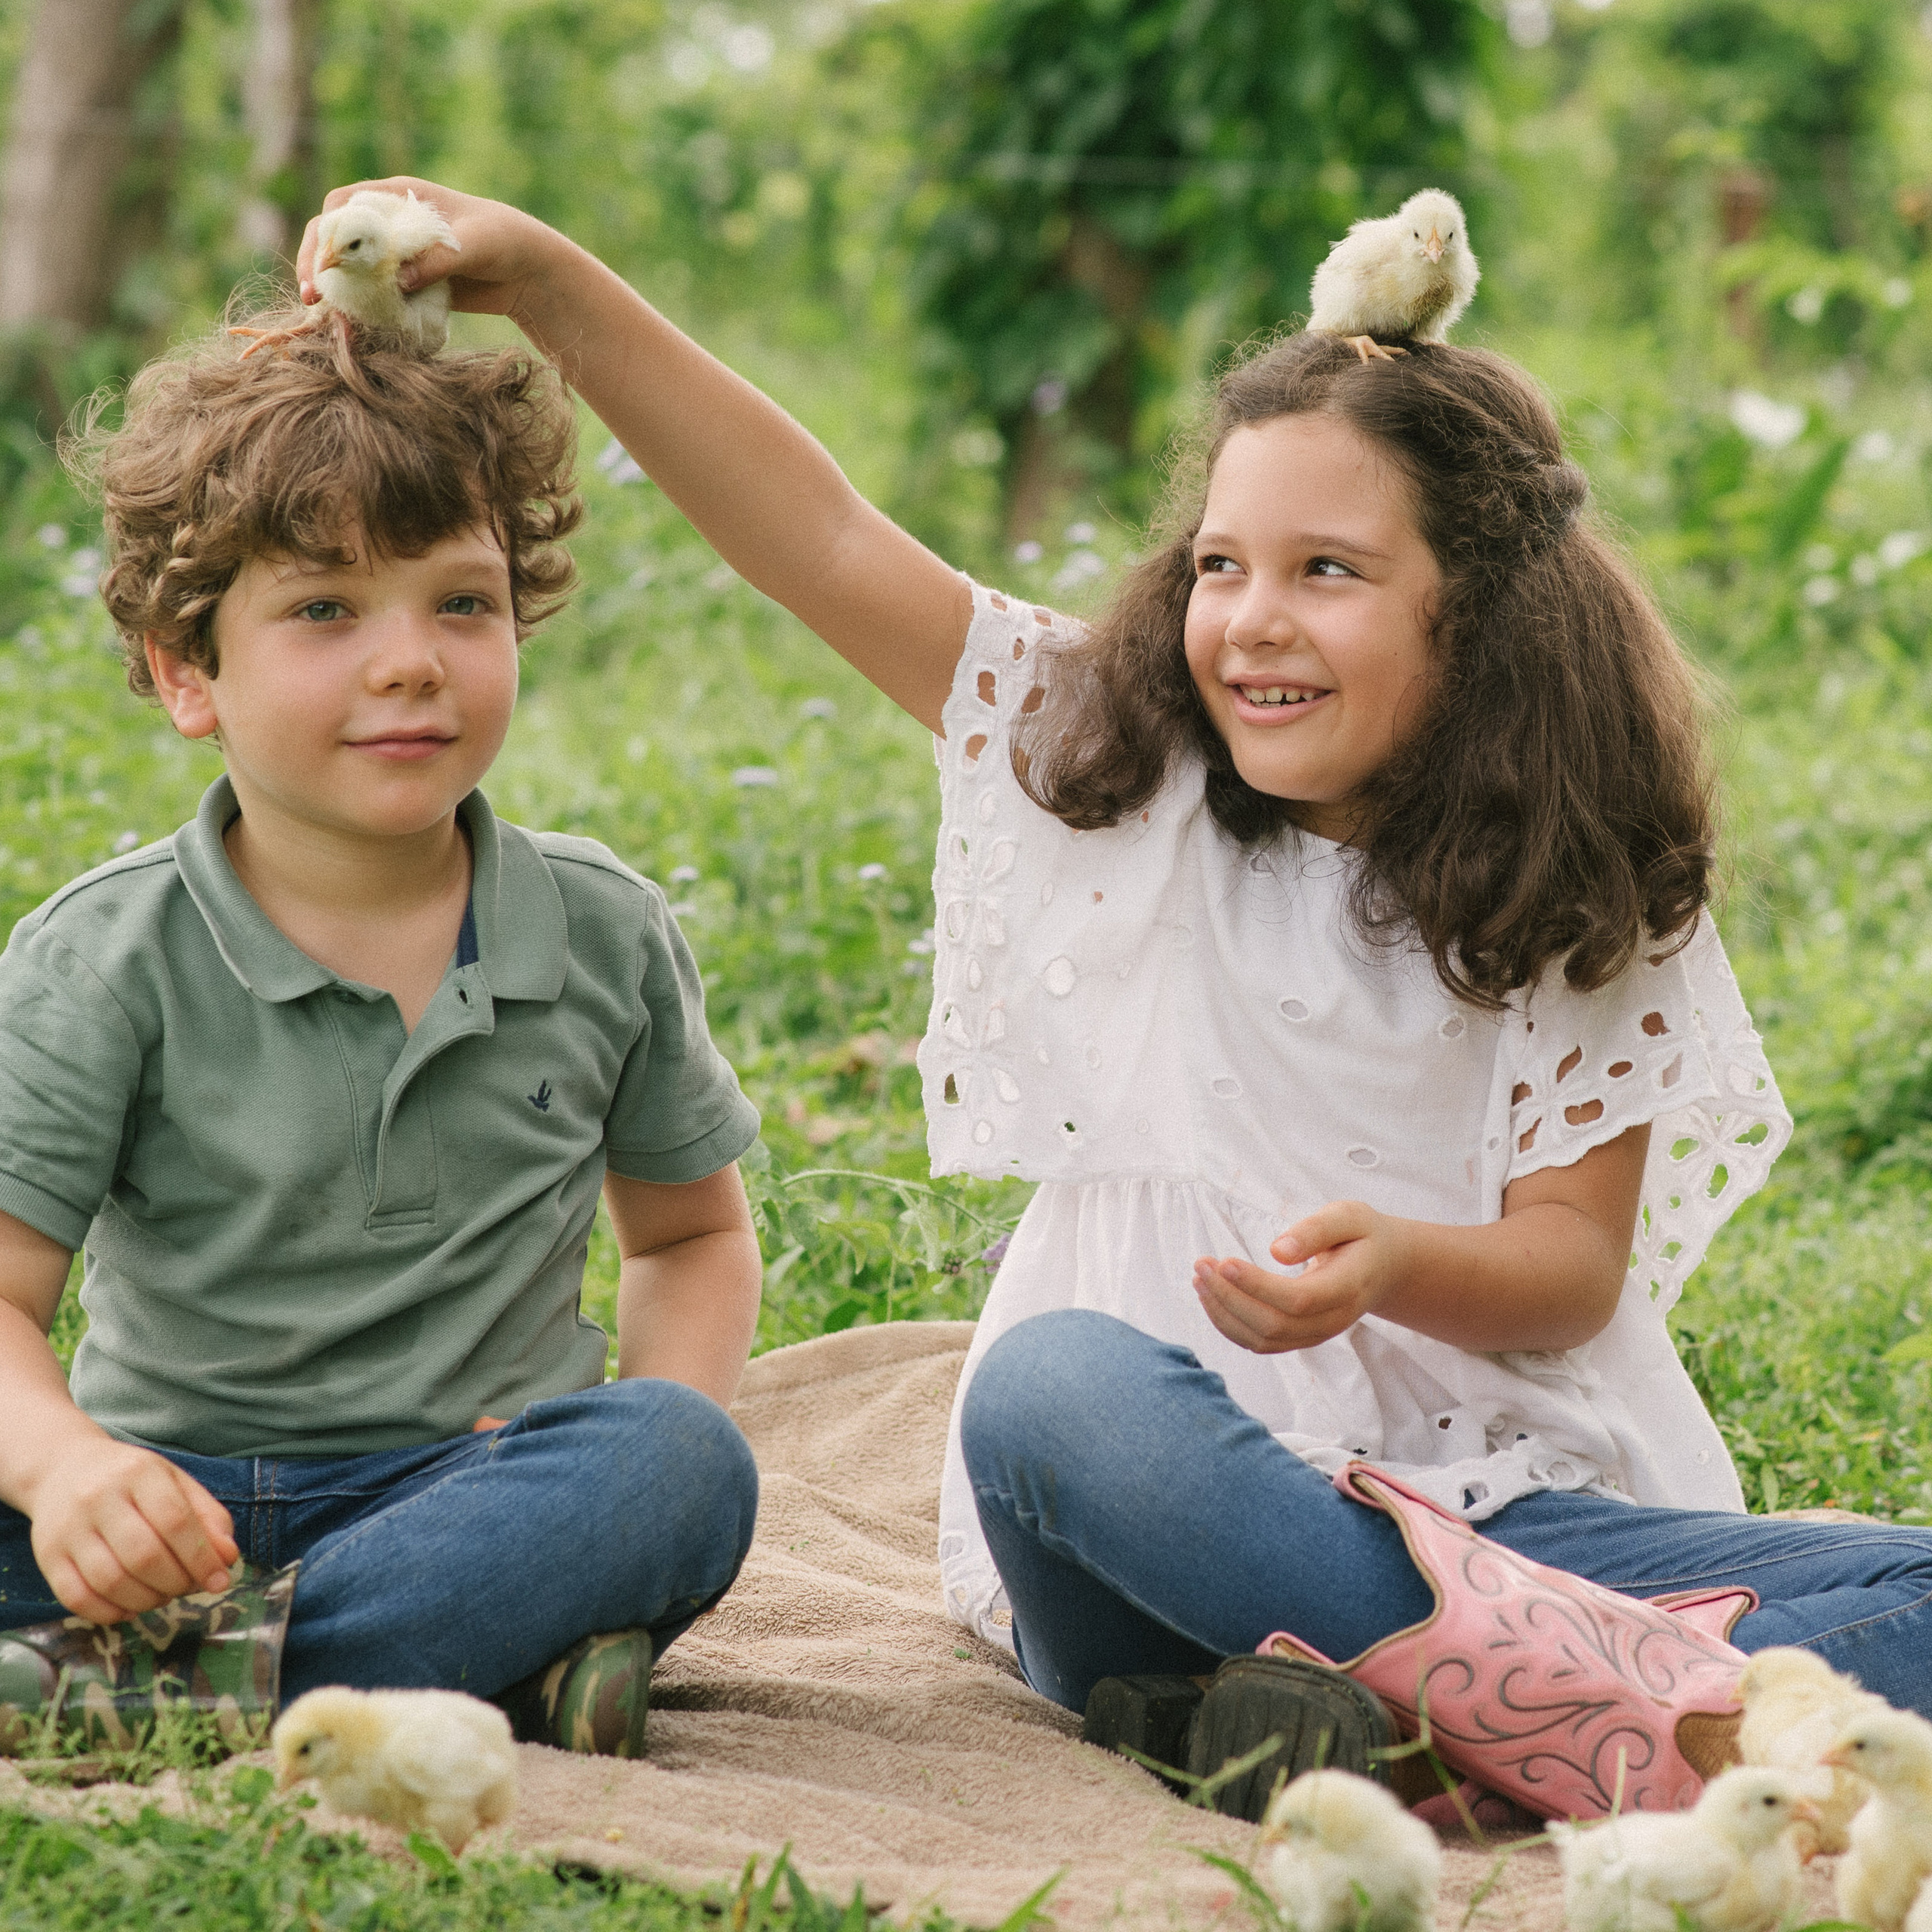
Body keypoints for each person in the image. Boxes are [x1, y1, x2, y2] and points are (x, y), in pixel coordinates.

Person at [291, 180, 1932, 1770]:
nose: (1250, 621)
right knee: (1045, 1385)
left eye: (1326, 572)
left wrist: (1393, 1264)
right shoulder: (1116, 766)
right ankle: (1613, 1716)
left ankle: (1425, 1714)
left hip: (1503, 1513)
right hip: (1157, 1530)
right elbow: (819, 537)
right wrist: (551, 283)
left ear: (1483, 610)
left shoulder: (1568, 881)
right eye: (1220, 563)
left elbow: (1571, 1264)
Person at [0, 317, 763, 1757]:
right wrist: (65, 1474)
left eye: (462, 605)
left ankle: (167, 1691)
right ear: (186, 672)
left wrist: (609, 1441)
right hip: (159, 1506)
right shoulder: (102, 958)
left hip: (457, 1493)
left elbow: (690, 1241)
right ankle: (480, 1668)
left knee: (678, 1465)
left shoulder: (600, 931)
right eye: (327, 610)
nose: (411, 661)